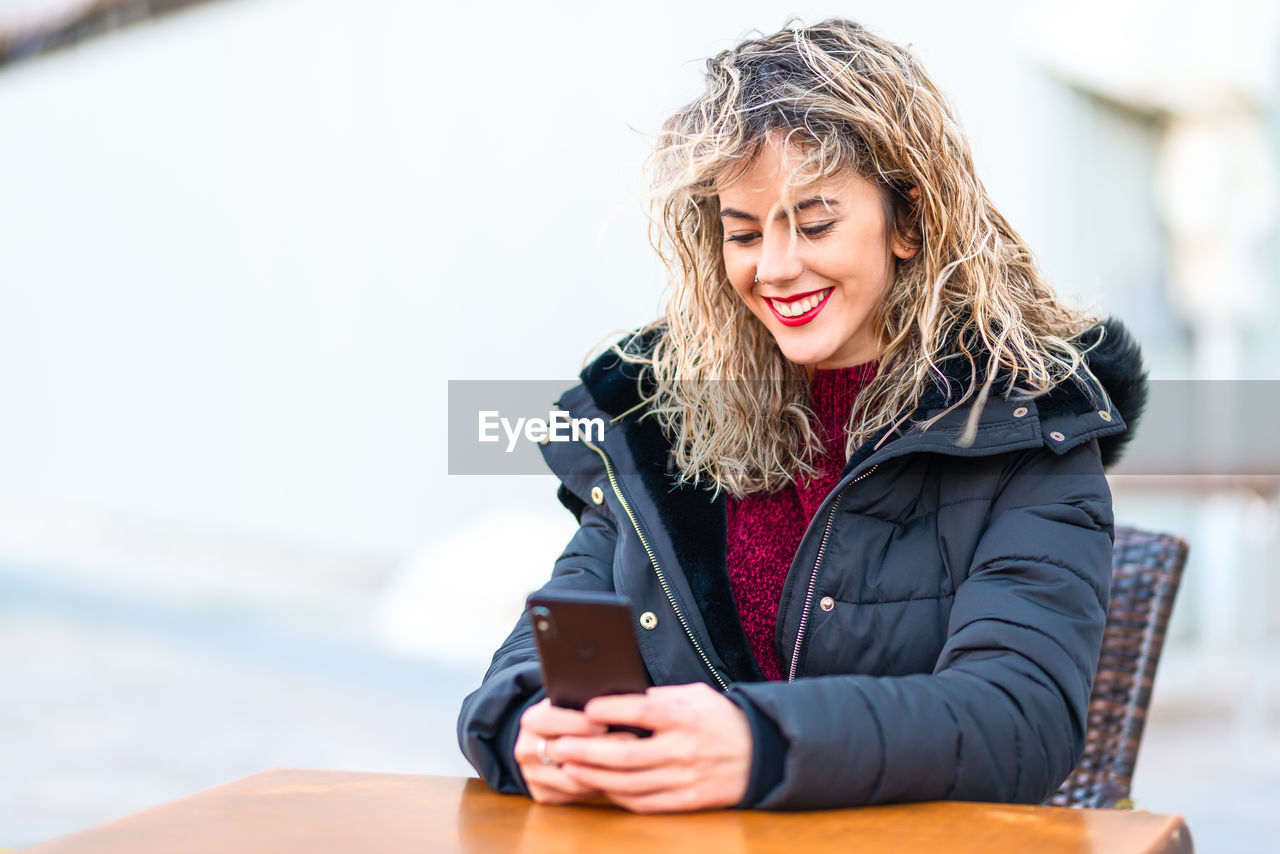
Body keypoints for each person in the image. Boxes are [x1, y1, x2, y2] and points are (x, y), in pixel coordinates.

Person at [457, 18, 1147, 813]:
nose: (776, 268)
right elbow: (538, 651)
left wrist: (759, 745)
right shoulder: (662, 423)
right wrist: (526, 726)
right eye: (743, 234)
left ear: (910, 221)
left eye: (815, 224)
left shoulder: (1029, 428)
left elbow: (1017, 720)